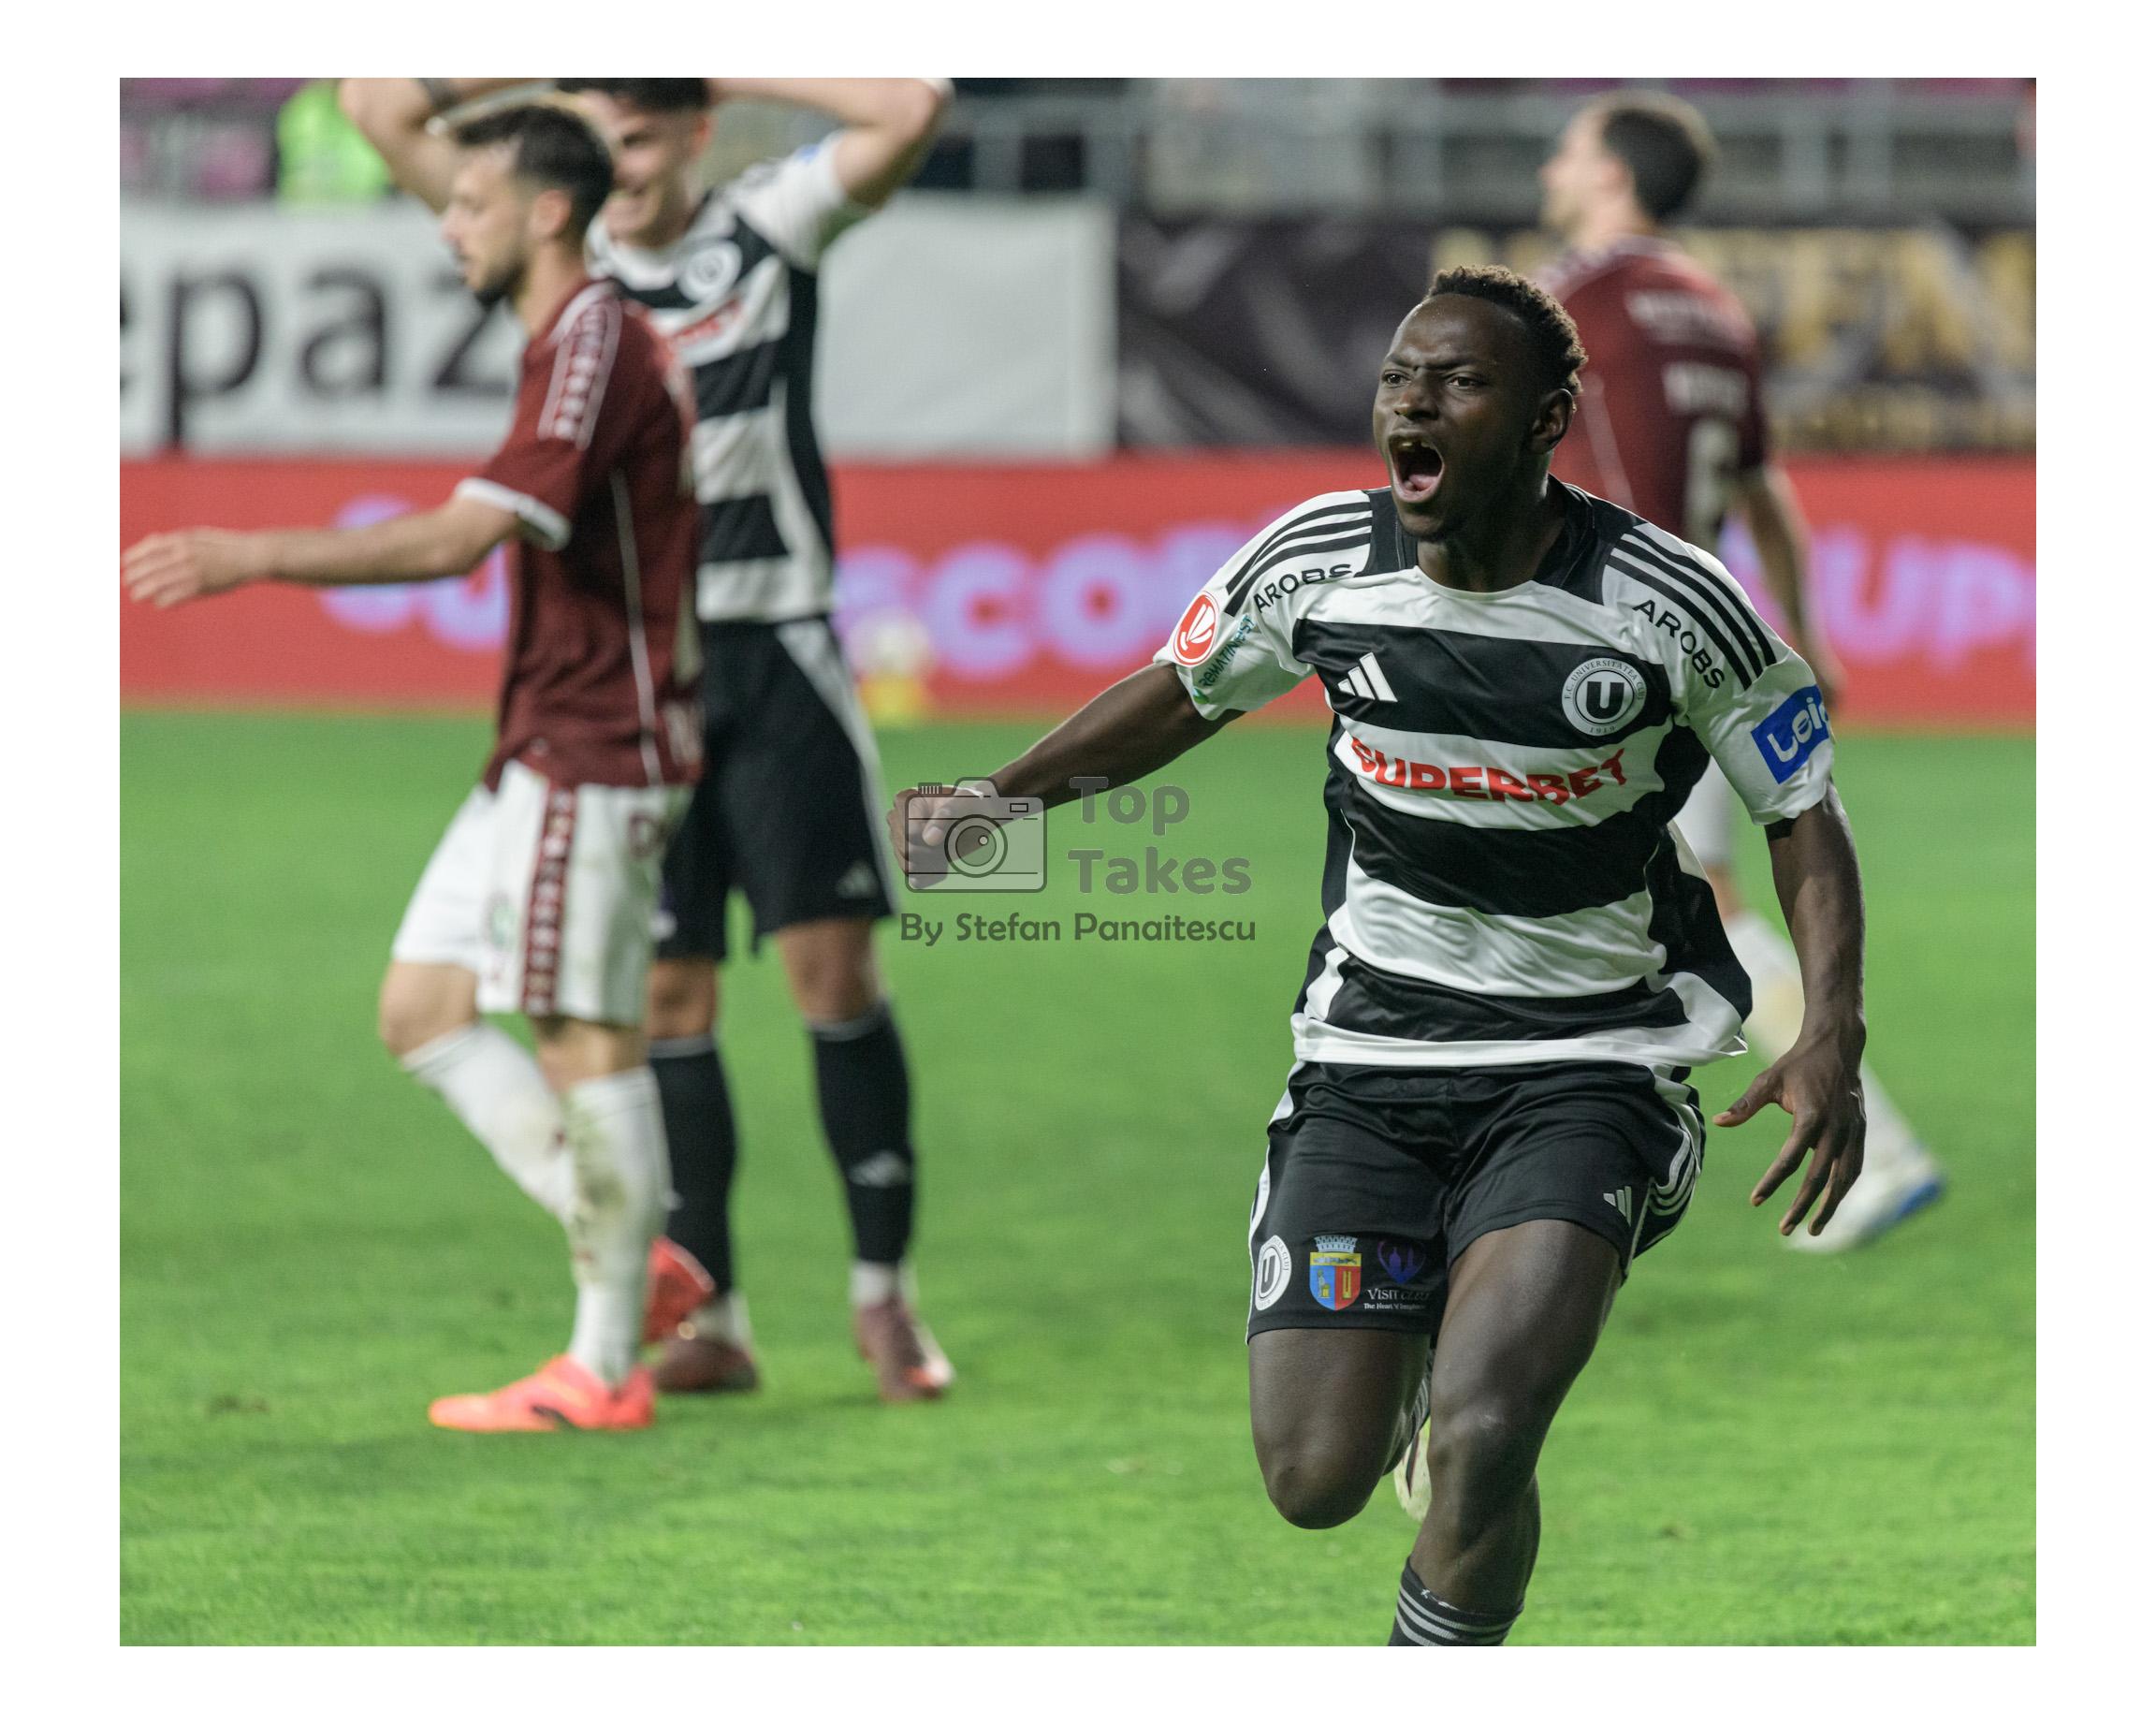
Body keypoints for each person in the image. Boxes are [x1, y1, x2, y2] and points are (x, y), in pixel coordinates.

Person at [893, 268, 1869, 1644]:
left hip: (1587, 1066)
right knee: (1314, 1478)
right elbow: (1182, 692)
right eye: (1400, 377)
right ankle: (1426, 1394)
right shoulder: (1318, 562)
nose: (1414, 403)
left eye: (1459, 382)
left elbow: (1801, 811)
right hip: (1369, 1065)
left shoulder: (1668, 602)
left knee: (1487, 1428)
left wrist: (1831, 1029)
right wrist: (996, 803)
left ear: (1546, 420)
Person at [341, 77, 955, 1401]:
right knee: (669, 997)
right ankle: (711, 1310)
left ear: (690, 135)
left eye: (637, 133)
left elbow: (911, 107)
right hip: (648, 676)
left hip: (776, 648)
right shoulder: (563, 256)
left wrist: (710, 59)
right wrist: (558, 66)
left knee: (833, 976)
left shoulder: (766, 223)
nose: (617, 165)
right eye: (595, 138)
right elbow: (377, 106)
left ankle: (884, 1296)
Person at [124, 103, 712, 1432]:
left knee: (581, 1036)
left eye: (470, 204)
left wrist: (254, 554)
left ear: (547, 214)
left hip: (598, 746)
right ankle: (634, 1261)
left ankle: (603, 1365)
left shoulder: (592, 339)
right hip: (542, 744)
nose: (447, 226)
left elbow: (461, 537)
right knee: (424, 1008)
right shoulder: (569, 337)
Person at [1536, 90, 1940, 1250]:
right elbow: (1766, 494)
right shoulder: (1717, 311)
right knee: (1686, 905)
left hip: (1600, 651)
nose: (1554, 166)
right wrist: (1809, 637)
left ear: (1612, 175)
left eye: (1570, 149)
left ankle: (1866, 1150)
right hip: (1713, 636)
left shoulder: (1571, 301)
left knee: (1653, 913)